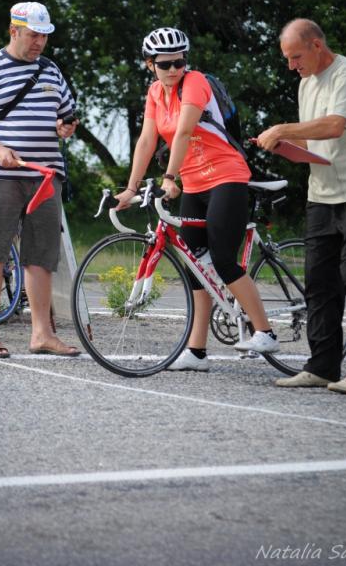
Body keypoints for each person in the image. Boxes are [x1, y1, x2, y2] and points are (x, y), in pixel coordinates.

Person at [115, 26, 280, 371]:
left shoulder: (195, 83)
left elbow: (185, 131)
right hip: (194, 183)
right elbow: (147, 141)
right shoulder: (155, 93)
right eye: (165, 64)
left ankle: (265, 330)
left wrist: (169, 178)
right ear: (150, 65)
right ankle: (197, 351)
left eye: (179, 62)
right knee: (194, 264)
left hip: (226, 176)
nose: (174, 69)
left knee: (221, 258)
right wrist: (131, 188)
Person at [257, 18, 346, 394]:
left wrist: (282, 130)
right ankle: (322, 366)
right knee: (319, 282)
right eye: (287, 58)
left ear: (317, 45)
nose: (291, 65)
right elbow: (315, 138)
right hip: (321, 192)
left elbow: (334, 126)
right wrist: (292, 150)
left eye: (295, 56)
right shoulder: (305, 83)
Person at [0, 1, 81, 359]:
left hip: (44, 175)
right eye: (33, 35)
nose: (39, 42)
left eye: (44, 36)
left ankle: (42, 334)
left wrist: (65, 127)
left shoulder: (52, 71)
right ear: (14, 31)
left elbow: (65, 119)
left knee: (41, 255)